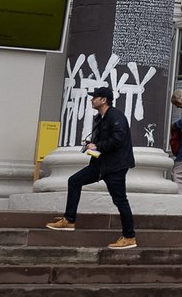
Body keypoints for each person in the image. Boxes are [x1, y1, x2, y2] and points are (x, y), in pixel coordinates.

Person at [45, 84, 139, 249]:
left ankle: (129, 237)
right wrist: (92, 144)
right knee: (74, 181)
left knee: (120, 200)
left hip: (115, 167)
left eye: (94, 97)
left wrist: (97, 146)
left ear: (103, 100)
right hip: (101, 164)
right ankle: (69, 220)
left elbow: (118, 140)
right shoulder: (102, 117)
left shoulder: (115, 116)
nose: (91, 99)